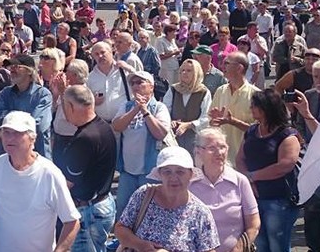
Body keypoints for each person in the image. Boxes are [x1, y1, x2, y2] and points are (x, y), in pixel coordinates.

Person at [0, 111, 81, 252]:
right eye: (6, 132)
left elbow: (72, 221)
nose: (10, 138)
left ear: (32, 139)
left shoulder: (49, 173)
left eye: (17, 133)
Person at [114, 146, 220, 252]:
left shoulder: (200, 212)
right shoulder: (144, 194)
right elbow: (120, 229)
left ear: (190, 175)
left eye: (180, 172)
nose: (173, 178)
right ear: (159, 174)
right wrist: (141, 245)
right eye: (167, 172)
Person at [236, 90, 301, 252]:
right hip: (255, 198)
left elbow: (285, 165)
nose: (251, 108)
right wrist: (248, 180)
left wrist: (253, 176)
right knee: (260, 244)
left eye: (254, 105)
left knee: (277, 244)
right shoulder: (252, 131)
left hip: (279, 200)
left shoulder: (287, 135)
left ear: (266, 109)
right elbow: (240, 158)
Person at [58, 85, 117, 252]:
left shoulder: (84, 140)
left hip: (89, 212)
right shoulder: (104, 127)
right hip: (103, 203)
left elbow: (67, 183)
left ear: (70, 107)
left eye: (65, 106)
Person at [112, 69, 172, 218]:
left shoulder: (159, 108)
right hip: (127, 171)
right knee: (124, 209)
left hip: (149, 171)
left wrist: (145, 111)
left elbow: (160, 133)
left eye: (140, 82)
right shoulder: (126, 106)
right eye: (132, 83)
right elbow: (117, 126)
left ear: (151, 87)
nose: (135, 86)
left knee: (148, 211)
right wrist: (134, 110)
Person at [189, 128, 260, 252]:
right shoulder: (189, 183)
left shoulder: (239, 181)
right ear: (198, 151)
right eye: (212, 148)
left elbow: (254, 224)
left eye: (222, 147)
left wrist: (238, 248)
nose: (219, 152)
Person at [0, 54, 53, 159]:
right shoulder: (6, 93)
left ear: (29, 71)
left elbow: (39, 126)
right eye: (10, 67)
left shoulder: (43, 95)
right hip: (10, 158)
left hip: (36, 158)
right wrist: (22, 117)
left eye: (17, 66)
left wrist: (9, 121)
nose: (12, 70)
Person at [163, 59, 213, 155]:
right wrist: (170, 121)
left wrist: (189, 125)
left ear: (196, 73)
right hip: (174, 137)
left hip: (194, 138)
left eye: (189, 71)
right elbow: (164, 110)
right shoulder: (174, 89)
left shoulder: (203, 92)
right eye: (183, 70)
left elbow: (206, 117)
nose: (185, 73)